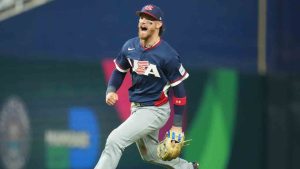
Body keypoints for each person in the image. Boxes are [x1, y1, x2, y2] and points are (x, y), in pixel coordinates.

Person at [94, 4, 199, 169]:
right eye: (142, 17)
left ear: (159, 25)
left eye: (150, 19)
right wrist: (111, 90)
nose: (143, 21)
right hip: (136, 107)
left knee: (115, 140)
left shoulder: (168, 55)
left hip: (155, 110)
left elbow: (179, 92)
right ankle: (187, 167)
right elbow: (119, 71)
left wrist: (177, 126)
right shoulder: (130, 46)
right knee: (150, 154)